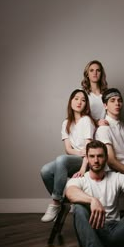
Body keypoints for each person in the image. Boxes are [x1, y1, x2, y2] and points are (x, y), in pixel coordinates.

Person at [40, 89, 97, 222]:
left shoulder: (86, 120)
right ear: (71, 101)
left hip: (85, 161)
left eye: (83, 100)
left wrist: (84, 168)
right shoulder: (66, 123)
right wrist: (79, 152)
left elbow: (89, 150)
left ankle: (55, 202)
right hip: (73, 158)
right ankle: (64, 202)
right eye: (76, 98)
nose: (79, 102)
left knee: (61, 160)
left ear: (86, 105)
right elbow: (68, 149)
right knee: (45, 171)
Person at [81, 60, 108, 125]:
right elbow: (79, 115)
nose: (95, 73)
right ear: (87, 74)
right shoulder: (82, 93)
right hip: (87, 129)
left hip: (104, 129)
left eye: (98, 70)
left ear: (101, 74)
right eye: (91, 70)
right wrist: (96, 122)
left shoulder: (107, 94)